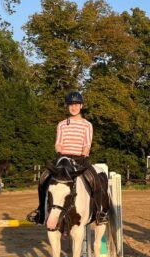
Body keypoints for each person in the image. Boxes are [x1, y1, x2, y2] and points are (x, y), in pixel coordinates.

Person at [26, 90, 109, 225]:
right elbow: (58, 143)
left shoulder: (87, 125)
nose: (73, 107)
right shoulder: (62, 124)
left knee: (95, 180)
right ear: (67, 106)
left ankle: (99, 212)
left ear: (81, 106)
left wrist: (83, 156)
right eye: (71, 104)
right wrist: (60, 154)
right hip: (63, 158)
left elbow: (87, 144)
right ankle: (41, 211)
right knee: (43, 178)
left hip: (80, 159)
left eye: (76, 104)